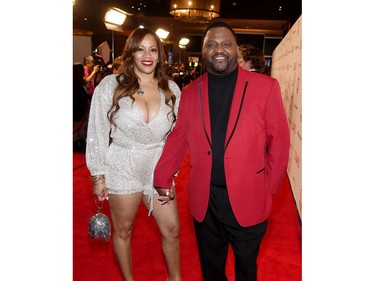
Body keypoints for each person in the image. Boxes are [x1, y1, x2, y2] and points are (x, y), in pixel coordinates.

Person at [153, 21, 290, 281]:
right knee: (211, 268)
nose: (219, 49)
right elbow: (179, 135)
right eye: (211, 44)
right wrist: (162, 175)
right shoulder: (191, 91)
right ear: (203, 50)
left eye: (226, 44)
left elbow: (280, 142)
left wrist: (268, 187)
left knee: (246, 268)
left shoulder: (266, 87)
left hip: (250, 195)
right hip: (207, 200)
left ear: (235, 49)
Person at [85, 27, 182, 281]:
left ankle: (176, 278)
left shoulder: (171, 89)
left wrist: (171, 169)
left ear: (160, 54)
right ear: (131, 54)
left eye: (152, 49)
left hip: (158, 167)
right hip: (122, 164)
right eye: (140, 49)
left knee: (172, 229)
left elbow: (177, 136)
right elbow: (97, 129)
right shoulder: (111, 86)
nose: (147, 55)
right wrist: (98, 175)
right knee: (124, 230)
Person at [73, 62, 90, 152]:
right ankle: (79, 146)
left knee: (76, 129)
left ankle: (76, 145)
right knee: (79, 128)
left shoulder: (77, 82)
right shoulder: (78, 83)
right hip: (79, 110)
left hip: (77, 109)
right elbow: (82, 96)